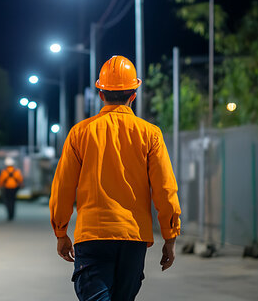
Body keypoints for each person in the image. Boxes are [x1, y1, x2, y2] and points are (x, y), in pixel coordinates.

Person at [49, 55, 182, 301]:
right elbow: (165, 189)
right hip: (134, 237)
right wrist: (170, 236)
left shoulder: (80, 133)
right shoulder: (150, 135)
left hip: (92, 236)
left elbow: (63, 186)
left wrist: (61, 231)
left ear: (101, 94)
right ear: (133, 94)